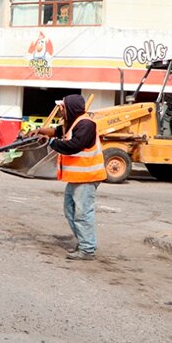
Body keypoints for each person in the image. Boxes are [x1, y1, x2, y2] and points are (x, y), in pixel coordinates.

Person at [30, 94, 107, 260]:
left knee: (82, 213)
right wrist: (42, 131)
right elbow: (58, 131)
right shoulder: (74, 123)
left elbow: (74, 146)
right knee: (70, 210)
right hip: (78, 177)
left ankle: (87, 249)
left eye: (62, 107)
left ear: (70, 108)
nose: (61, 110)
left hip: (88, 176)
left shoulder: (86, 124)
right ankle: (85, 242)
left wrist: (50, 143)